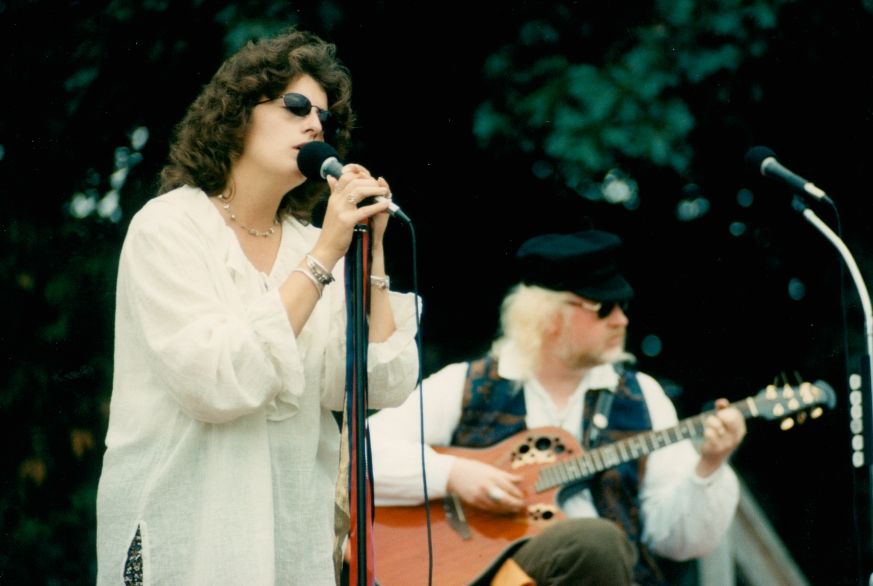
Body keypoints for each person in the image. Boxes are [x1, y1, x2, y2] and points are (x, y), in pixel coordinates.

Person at [95, 27, 419, 585]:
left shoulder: (309, 244)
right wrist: (324, 257)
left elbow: (377, 382)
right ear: (238, 112)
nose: (315, 125)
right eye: (296, 106)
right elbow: (216, 381)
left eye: (324, 117)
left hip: (287, 539)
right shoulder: (169, 227)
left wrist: (373, 253)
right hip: (186, 533)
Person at [368, 230, 746, 586]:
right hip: (496, 577)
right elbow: (361, 454)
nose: (622, 320)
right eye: (604, 308)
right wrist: (452, 474)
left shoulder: (643, 396)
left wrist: (709, 466)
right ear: (548, 315)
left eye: (624, 306)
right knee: (596, 541)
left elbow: (679, 542)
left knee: (599, 544)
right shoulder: (468, 384)